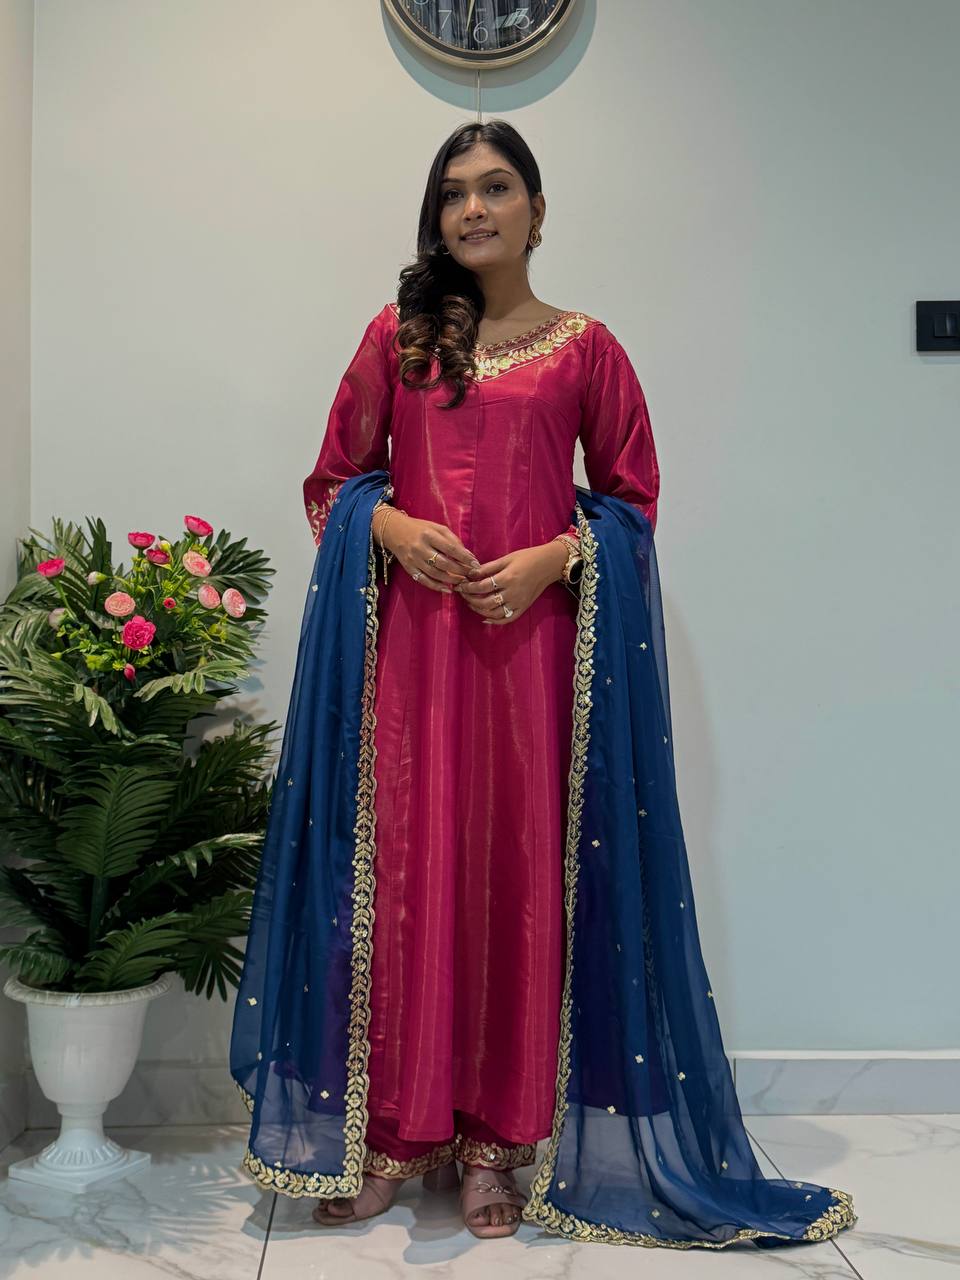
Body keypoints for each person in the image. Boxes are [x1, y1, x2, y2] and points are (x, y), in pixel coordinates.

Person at [230, 120, 857, 1249]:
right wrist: (392, 525)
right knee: (406, 877)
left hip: (533, 663)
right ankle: (393, 1136)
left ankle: (495, 1146)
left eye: (496, 187)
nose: (473, 209)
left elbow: (634, 503)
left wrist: (556, 557)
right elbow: (332, 482)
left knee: (517, 881)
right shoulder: (396, 340)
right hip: (411, 661)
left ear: (537, 210)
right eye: (453, 192)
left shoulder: (588, 350)